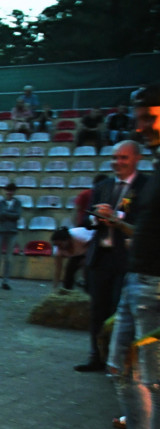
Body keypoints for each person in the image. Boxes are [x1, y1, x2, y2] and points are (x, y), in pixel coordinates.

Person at [90, 84, 160, 429]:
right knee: (124, 369)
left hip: (157, 284)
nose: (142, 126)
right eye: (140, 118)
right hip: (140, 279)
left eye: (150, 117)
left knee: (156, 378)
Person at [77, 140, 150, 372]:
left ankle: (122, 363)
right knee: (98, 309)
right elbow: (85, 221)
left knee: (123, 313)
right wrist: (95, 218)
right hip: (101, 258)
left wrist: (118, 221)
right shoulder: (103, 186)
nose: (117, 162)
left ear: (137, 159)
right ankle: (97, 357)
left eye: (123, 158)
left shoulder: (147, 186)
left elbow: (144, 224)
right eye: (114, 157)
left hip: (128, 261)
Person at [0, 183, 21, 290]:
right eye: (8, 190)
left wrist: (5, 213)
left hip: (11, 231)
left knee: (8, 258)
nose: (9, 193)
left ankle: (5, 281)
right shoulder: (0, 202)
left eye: (11, 191)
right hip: (0, 231)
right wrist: (10, 214)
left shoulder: (17, 203)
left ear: (14, 192)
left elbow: (17, 216)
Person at [51, 226, 92, 291]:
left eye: (60, 244)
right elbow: (58, 268)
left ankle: (90, 293)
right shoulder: (58, 250)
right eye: (57, 245)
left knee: (89, 273)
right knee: (68, 274)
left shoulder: (79, 236)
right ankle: (67, 293)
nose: (59, 247)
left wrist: (87, 257)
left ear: (67, 240)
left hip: (94, 250)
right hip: (77, 254)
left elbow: (94, 242)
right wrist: (55, 286)